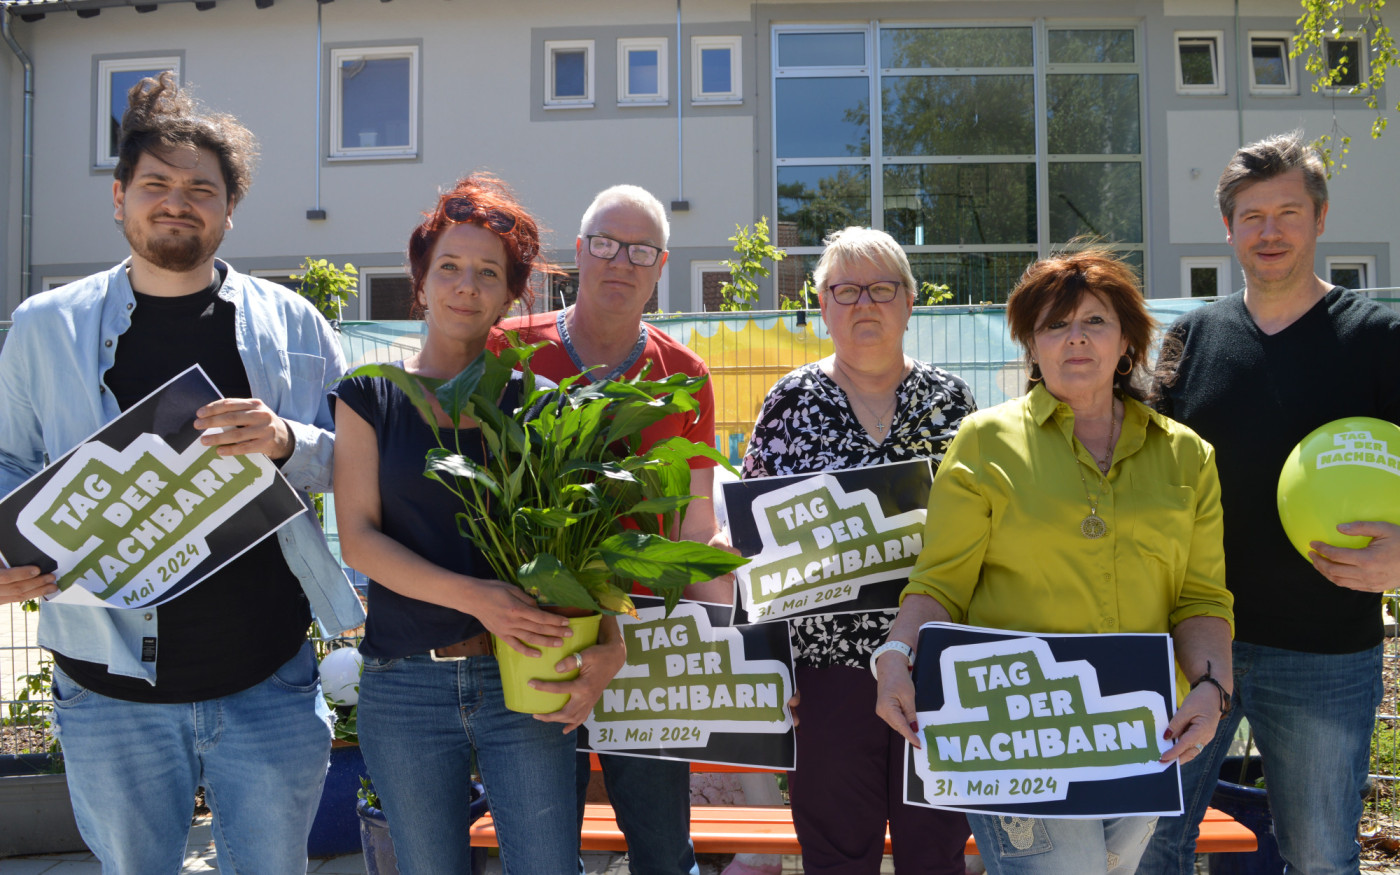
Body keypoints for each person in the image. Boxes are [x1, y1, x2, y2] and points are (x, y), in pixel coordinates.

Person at [0, 73, 363, 874]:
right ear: (121, 197)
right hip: (106, 685)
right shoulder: (43, 327)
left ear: (228, 210)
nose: (178, 201)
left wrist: (286, 441)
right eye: (156, 184)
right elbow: (6, 460)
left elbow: (355, 461)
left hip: (265, 674)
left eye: (202, 188)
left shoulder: (293, 324)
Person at [875, 246, 1235, 875]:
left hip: (1142, 733)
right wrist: (897, 656)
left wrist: (1213, 687)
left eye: (1094, 321)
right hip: (1013, 728)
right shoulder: (986, 441)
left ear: (1126, 341)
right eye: (1054, 324)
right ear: (1032, 347)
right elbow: (939, 585)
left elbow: (1201, 599)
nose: (1076, 339)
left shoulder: (1188, 456)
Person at [1141, 132, 1400, 875]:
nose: (1270, 230)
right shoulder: (1192, 339)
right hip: (1190, 646)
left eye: (1288, 211)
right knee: (1153, 844)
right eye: (1251, 216)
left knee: (1320, 854)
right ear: (1227, 229)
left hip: (1324, 648)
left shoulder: (1378, 338)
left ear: (1320, 218)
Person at [332, 174, 599, 874]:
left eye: (489, 273)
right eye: (448, 267)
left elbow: (583, 546)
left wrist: (611, 644)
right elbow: (358, 537)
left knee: (548, 865)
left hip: (526, 678)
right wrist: (479, 596)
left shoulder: (539, 405)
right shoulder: (371, 395)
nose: (465, 285)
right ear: (420, 282)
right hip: (406, 681)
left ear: (513, 294)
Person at [493, 184, 729, 875]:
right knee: (542, 848)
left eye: (640, 250)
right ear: (578, 252)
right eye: (604, 243)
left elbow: (696, 520)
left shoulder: (683, 374)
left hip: (650, 640)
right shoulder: (509, 352)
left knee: (662, 846)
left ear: (660, 265)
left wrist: (752, 645)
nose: (620, 261)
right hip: (543, 633)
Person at [741, 226, 976, 875]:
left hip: (936, 670)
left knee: (936, 854)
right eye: (845, 289)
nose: (863, 303)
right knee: (837, 855)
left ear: (908, 301)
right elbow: (754, 544)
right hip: (826, 676)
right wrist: (770, 666)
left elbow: (983, 534)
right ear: (822, 305)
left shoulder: (953, 403)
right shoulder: (790, 403)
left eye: (880, 288)